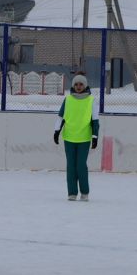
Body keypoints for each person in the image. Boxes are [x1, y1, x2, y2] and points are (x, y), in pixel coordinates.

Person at [53, 72, 99, 201]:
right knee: (71, 166)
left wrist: (95, 136)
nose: (78, 86)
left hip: (84, 138)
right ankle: (72, 193)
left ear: (85, 85)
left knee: (80, 165)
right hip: (69, 138)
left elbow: (95, 120)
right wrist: (57, 131)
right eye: (76, 84)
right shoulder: (68, 99)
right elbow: (61, 117)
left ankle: (85, 192)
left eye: (81, 84)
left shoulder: (91, 100)